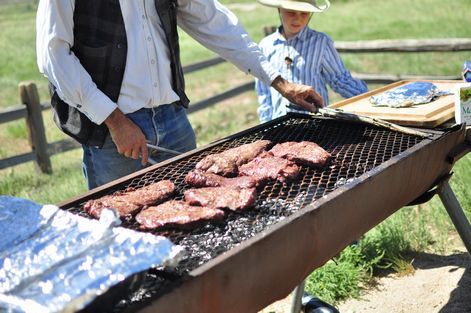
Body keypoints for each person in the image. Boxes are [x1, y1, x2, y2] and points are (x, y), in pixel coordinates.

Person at [36, 0, 323, 190]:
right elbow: (53, 55)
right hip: (114, 131)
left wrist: (279, 81)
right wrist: (114, 121)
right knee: (121, 233)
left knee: (193, 215)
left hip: (172, 119)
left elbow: (215, 23)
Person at [255, 0, 368, 123]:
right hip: (279, 123)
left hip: (315, 122)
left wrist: (367, 98)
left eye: (304, 13)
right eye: (291, 12)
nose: (297, 19)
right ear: (279, 10)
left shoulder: (320, 43)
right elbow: (264, 92)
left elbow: (339, 79)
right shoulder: (266, 46)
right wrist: (265, 123)